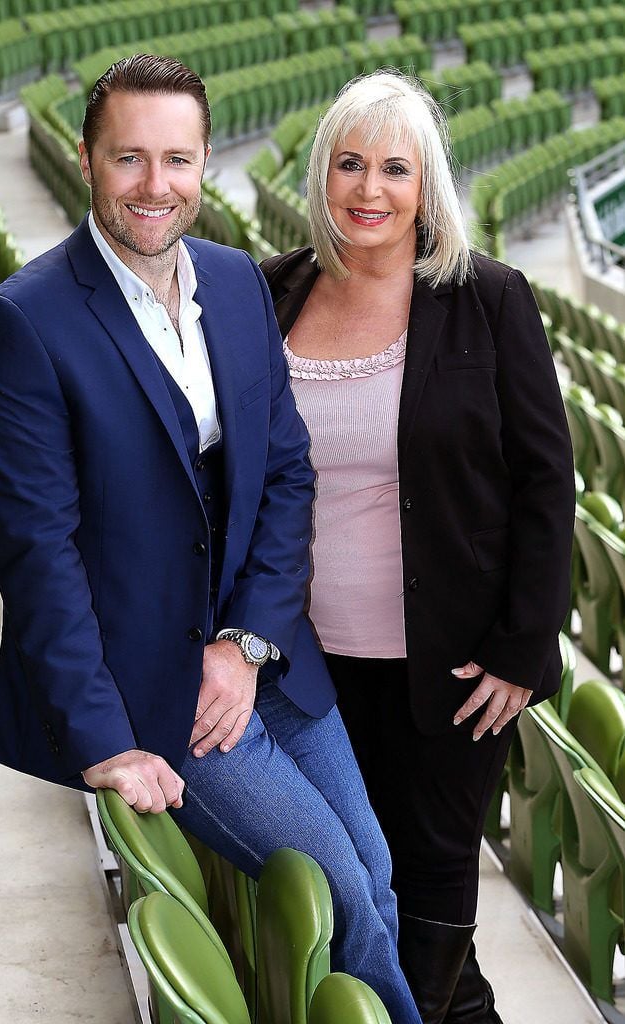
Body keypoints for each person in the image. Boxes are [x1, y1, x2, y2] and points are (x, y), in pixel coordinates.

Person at [0, 54, 422, 1023]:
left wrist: (246, 642)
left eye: (177, 159)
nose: (155, 186)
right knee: (342, 892)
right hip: (161, 702)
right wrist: (104, 746)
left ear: (206, 162)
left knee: (377, 872)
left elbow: (287, 470)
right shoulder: (23, 323)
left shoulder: (234, 283)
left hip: (260, 660)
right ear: (87, 159)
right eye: (129, 159)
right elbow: (37, 556)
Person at [261, 70, 574, 1024]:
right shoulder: (269, 292)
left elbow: (544, 480)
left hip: (449, 668)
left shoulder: (488, 299)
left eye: (394, 168)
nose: (369, 189)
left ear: (426, 185)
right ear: (320, 177)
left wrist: (524, 650)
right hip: (302, 666)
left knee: (433, 897)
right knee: (363, 897)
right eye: (349, 164)